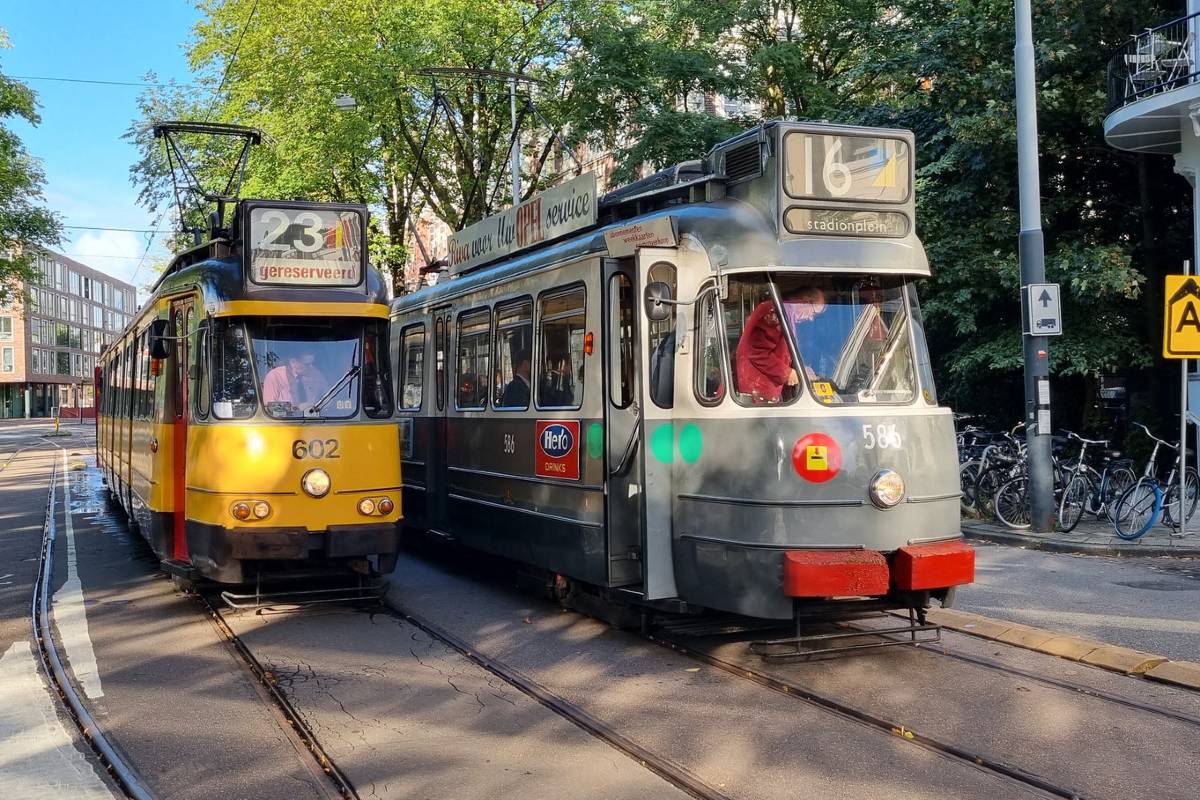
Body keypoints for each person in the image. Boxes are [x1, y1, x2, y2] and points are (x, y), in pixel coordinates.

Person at [734, 285, 825, 404]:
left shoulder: (785, 314)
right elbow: (756, 352)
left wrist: (800, 371)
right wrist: (786, 373)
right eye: (813, 312)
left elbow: (778, 353)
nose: (811, 318)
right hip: (756, 395)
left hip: (762, 393)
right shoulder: (775, 312)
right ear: (805, 301)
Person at [262, 350, 329, 407]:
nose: (311, 367)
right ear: (293, 362)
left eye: (312, 363)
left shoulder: (316, 374)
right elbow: (269, 406)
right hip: (285, 421)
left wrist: (328, 402)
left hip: (315, 419)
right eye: (306, 364)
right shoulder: (275, 376)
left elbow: (329, 396)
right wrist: (297, 409)